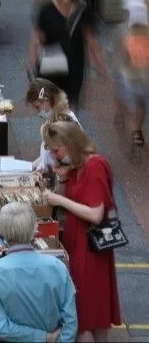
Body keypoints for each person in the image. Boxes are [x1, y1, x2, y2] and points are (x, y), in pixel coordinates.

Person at [42, 122, 122, 342]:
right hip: (78, 243)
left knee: (84, 315)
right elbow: (64, 191)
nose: (55, 155)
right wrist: (62, 178)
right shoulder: (77, 165)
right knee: (95, 314)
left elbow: (96, 214)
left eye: (57, 150)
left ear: (70, 144)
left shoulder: (95, 166)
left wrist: (61, 200)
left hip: (90, 248)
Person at [0, 202, 77, 343]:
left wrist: (44, 338)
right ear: (35, 228)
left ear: (0, 229)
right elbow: (71, 321)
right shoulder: (57, 266)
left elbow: (2, 329)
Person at [28, 0, 106, 108]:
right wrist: (33, 64)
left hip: (73, 71)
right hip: (51, 69)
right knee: (52, 108)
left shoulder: (82, 11)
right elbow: (37, 39)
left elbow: (91, 40)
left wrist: (100, 67)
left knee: (67, 109)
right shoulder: (46, 10)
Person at [25, 78, 81, 171]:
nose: (38, 112)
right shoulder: (53, 120)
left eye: (38, 107)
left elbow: (65, 163)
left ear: (47, 100)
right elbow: (46, 156)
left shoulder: (66, 124)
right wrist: (30, 167)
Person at [116, 0, 149, 146]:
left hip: (141, 79)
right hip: (128, 78)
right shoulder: (124, 32)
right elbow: (122, 58)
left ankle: (135, 129)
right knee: (133, 106)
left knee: (140, 106)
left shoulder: (144, 34)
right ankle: (134, 130)